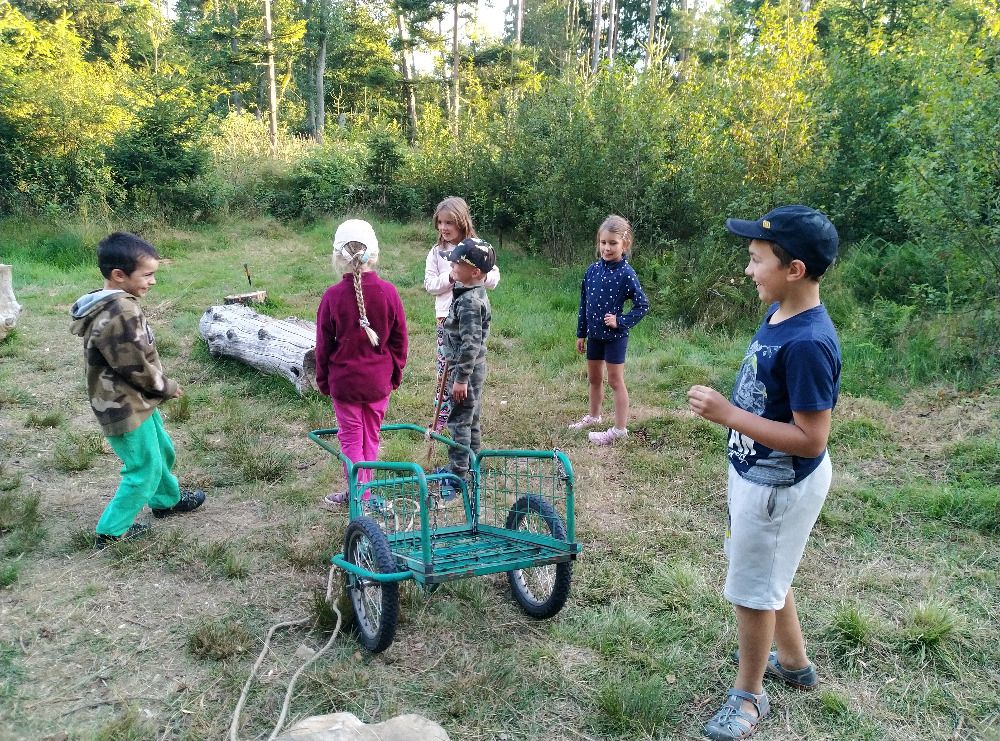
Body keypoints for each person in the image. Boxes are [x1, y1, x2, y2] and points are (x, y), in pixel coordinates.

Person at [687, 205, 842, 741]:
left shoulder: (808, 343)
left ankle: (749, 696)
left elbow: (812, 438)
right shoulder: (781, 312)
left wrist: (729, 415)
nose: (748, 269)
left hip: (778, 485)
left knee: (752, 591)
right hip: (757, 475)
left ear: (794, 269)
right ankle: (794, 662)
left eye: (757, 260)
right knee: (768, 572)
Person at [69, 232, 205, 548]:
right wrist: (166, 387)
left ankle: (166, 501)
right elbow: (134, 366)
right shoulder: (120, 311)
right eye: (147, 275)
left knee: (162, 450)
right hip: (123, 405)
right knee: (144, 468)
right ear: (119, 275)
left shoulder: (117, 304)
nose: (153, 281)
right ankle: (110, 532)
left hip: (137, 399)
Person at [316, 219, 408, 506]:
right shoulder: (389, 292)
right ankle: (364, 493)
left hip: (345, 385)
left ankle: (360, 497)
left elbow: (323, 346)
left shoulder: (331, 297)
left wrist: (323, 380)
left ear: (338, 257)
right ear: (374, 255)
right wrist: (394, 375)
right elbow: (400, 341)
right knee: (371, 438)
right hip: (378, 383)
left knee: (351, 440)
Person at [569, 214, 649, 445]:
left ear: (625, 244)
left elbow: (642, 305)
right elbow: (584, 304)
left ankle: (619, 429)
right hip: (594, 336)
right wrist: (581, 333)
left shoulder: (626, 273)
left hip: (615, 338)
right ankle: (594, 416)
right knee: (594, 378)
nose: (607, 248)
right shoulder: (592, 270)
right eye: (603, 242)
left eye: (613, 243)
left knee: (615, 381)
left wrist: (620, 321)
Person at [424, 197, 499, 432]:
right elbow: (430, 285)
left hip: (470, 319)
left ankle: (465, 415)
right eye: (440, 223)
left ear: (462, 222)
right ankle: (441, 416)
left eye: (449, 223)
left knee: (467, 364)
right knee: (445, 367)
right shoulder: (437, 252)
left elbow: (494, 277)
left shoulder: (476, 249)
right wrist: (450, 277)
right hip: (445, 320)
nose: (444, 228)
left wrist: (477, 275)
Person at [437, 237, 495, 494]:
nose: (452, 266)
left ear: (475, 272)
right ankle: (471, 467)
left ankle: (458, 476)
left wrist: (460, 379)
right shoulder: (469, 293)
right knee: (470, 419)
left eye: (457, 264)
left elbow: (471, 344)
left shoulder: (470, 302)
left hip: (466, 371)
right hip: (471, 369)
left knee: (460, 421)